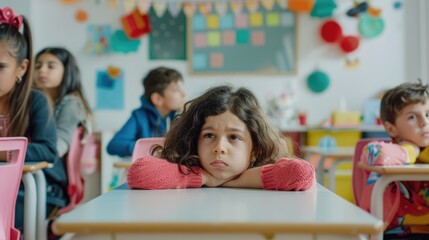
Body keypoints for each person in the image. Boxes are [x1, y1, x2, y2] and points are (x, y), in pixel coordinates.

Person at [127, 85, 315, 191]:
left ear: (255, 150)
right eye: (209, 135)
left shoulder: (264, 164)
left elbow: (301, 174)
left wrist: (236, 180)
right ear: (195, 141)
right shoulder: (190, 167)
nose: (219, 147)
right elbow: (139, 173)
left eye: (233, 137)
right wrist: (204, 177)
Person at [0, 7, 67, 235]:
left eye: (0, 67)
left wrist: (2, 152)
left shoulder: (35, 101)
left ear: (21, 68)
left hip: (40, 190)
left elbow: (48, 150)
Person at [358, 81, 429, 237]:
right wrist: (410, 150)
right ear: (391, 129)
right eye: (412, 117)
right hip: (396, 233)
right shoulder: (390, 151)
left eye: (427, 114)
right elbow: (375, 154)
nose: (424, 122)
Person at [107, 66, 186, 157]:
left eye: (182, 89)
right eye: (176, 90)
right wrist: (151, 149)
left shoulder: (181, 117)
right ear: (158, 99)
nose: (184, 94)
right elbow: (114, 146)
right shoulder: (139, 116)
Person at [34, 47, 92, 158]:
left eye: (50, 66)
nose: (42, 70)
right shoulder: (37, 101)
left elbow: (59, 146)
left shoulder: (71, 103)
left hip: (51, 168)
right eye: (37, 66)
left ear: (66, 71)